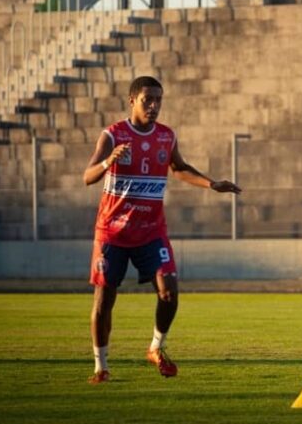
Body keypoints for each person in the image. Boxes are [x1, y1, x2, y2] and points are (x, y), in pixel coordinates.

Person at [83, 75, 241, 384]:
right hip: (112, 233)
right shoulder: (112, 135)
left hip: (151, 231)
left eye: (158, 100)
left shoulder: (166, 137)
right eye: (147, 100)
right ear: (132, 101)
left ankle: (156, 348)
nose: (154, 106)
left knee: (169, 291)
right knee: (104, 299)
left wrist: (212, 184)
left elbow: (178, 168)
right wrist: (107, 163)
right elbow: (87, 176)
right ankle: (100, 367)